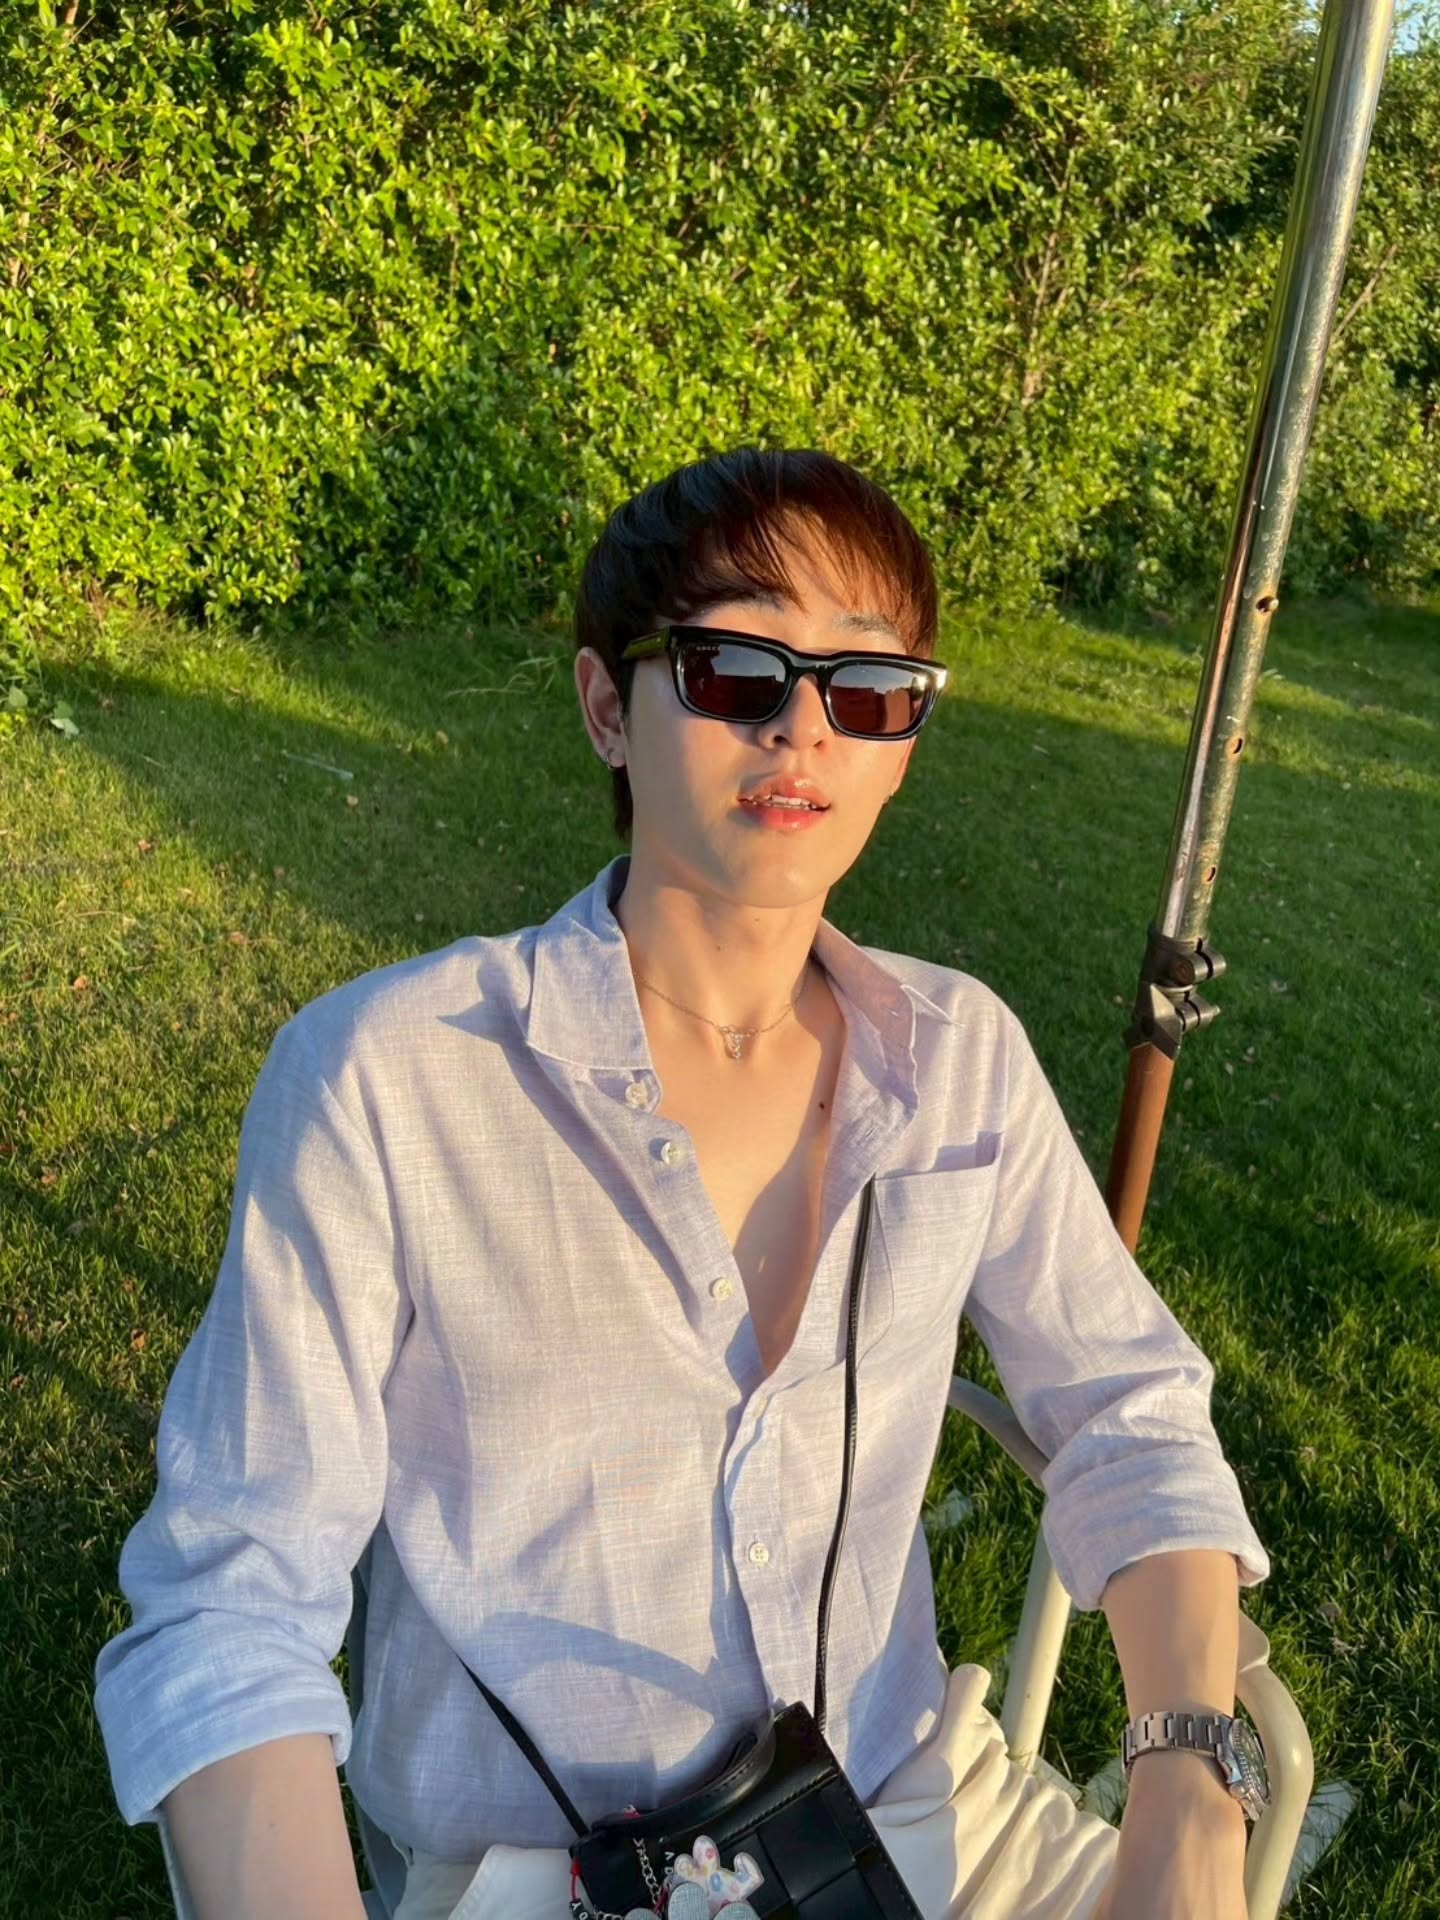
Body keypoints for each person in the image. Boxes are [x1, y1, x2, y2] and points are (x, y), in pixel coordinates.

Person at [94, 448, 1270, 1920]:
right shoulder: (387, 1082)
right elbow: (232, 1596)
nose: (803, 727)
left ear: (906, 740)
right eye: (733, 668)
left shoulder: (958, 1057)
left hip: (908, 1817)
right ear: (608, 706)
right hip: (533, 1876)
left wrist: (1188, 1800)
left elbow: (1130, 1409)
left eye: (869, 687)